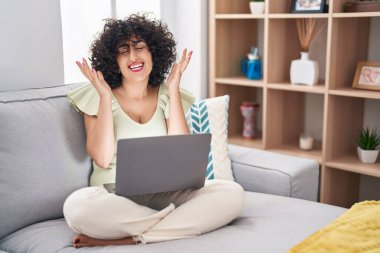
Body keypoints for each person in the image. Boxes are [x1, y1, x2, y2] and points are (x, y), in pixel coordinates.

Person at [63, 14, 244, 248]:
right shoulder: (97, 96)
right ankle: (174, 225)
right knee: (76, 207)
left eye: (140, 47)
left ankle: (133, 237)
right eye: (123, 50)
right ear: (114, 60)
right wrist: (105, 97)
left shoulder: (167, 94)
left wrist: (174, 88)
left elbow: (181, 152)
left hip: (165, 192)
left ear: (153, 53)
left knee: (232, 193)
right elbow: (103, 157)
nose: (133, 56)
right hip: (114, 196)